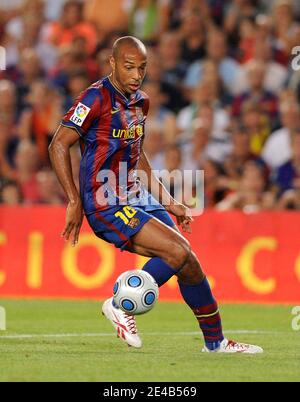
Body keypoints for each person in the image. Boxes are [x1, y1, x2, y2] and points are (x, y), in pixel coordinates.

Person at [49, 36, 263, 354]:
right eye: (129, 67)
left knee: (187, 261)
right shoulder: (94, 98)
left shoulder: (141, 102)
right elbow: (58, 144)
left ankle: (216, 343)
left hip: (136, 195)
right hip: (105, 201)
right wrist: (73, 200)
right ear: (112, 64)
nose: (137, 74)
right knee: (178, 252)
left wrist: (168, 200)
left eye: (142, 68)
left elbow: (138, 155)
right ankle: (121, 304)